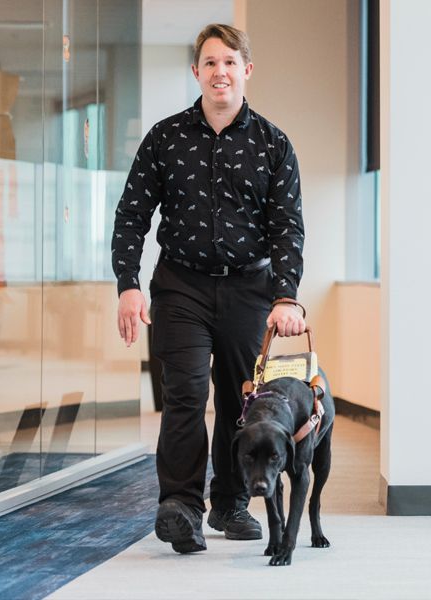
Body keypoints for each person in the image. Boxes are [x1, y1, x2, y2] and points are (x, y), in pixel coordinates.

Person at [112, 23, 306, 554]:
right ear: (196, 72)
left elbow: (287, 227)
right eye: (210, 62)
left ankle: (230, 501)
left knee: (240, 401)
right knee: (186, 394)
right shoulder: (165, 138)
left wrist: (285, 296)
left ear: (246, 70)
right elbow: (131, 216)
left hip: (249, 290)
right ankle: (180, 506)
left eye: (229, 62)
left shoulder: (273, 143)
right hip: (181, 287)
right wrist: (128, 286)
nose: (220, 71)